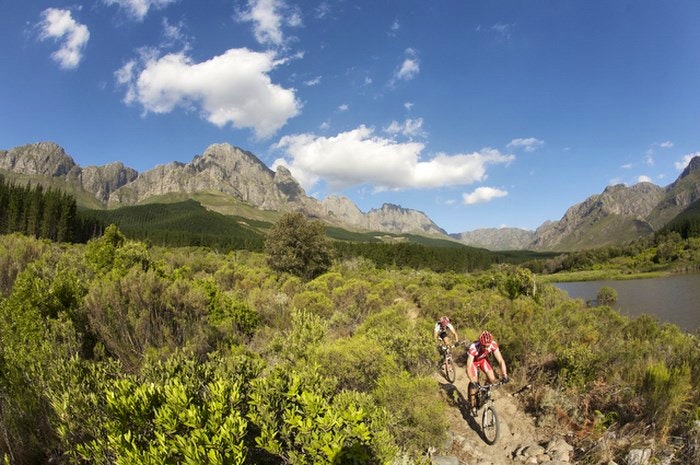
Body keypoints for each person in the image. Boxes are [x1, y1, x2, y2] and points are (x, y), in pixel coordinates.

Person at [466, 330, 509, 415]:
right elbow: (468, 366)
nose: (486, 348)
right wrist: (471, 380)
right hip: (473, 363)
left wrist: (505, 374)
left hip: (482, 360)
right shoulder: (473, 347)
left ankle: (483, 391)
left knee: (492, 379)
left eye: (487, 346)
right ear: (480, 342)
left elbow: (500, 360)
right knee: (474, 382)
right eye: (483, 346)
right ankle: (472, 404)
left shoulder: (493, 344)